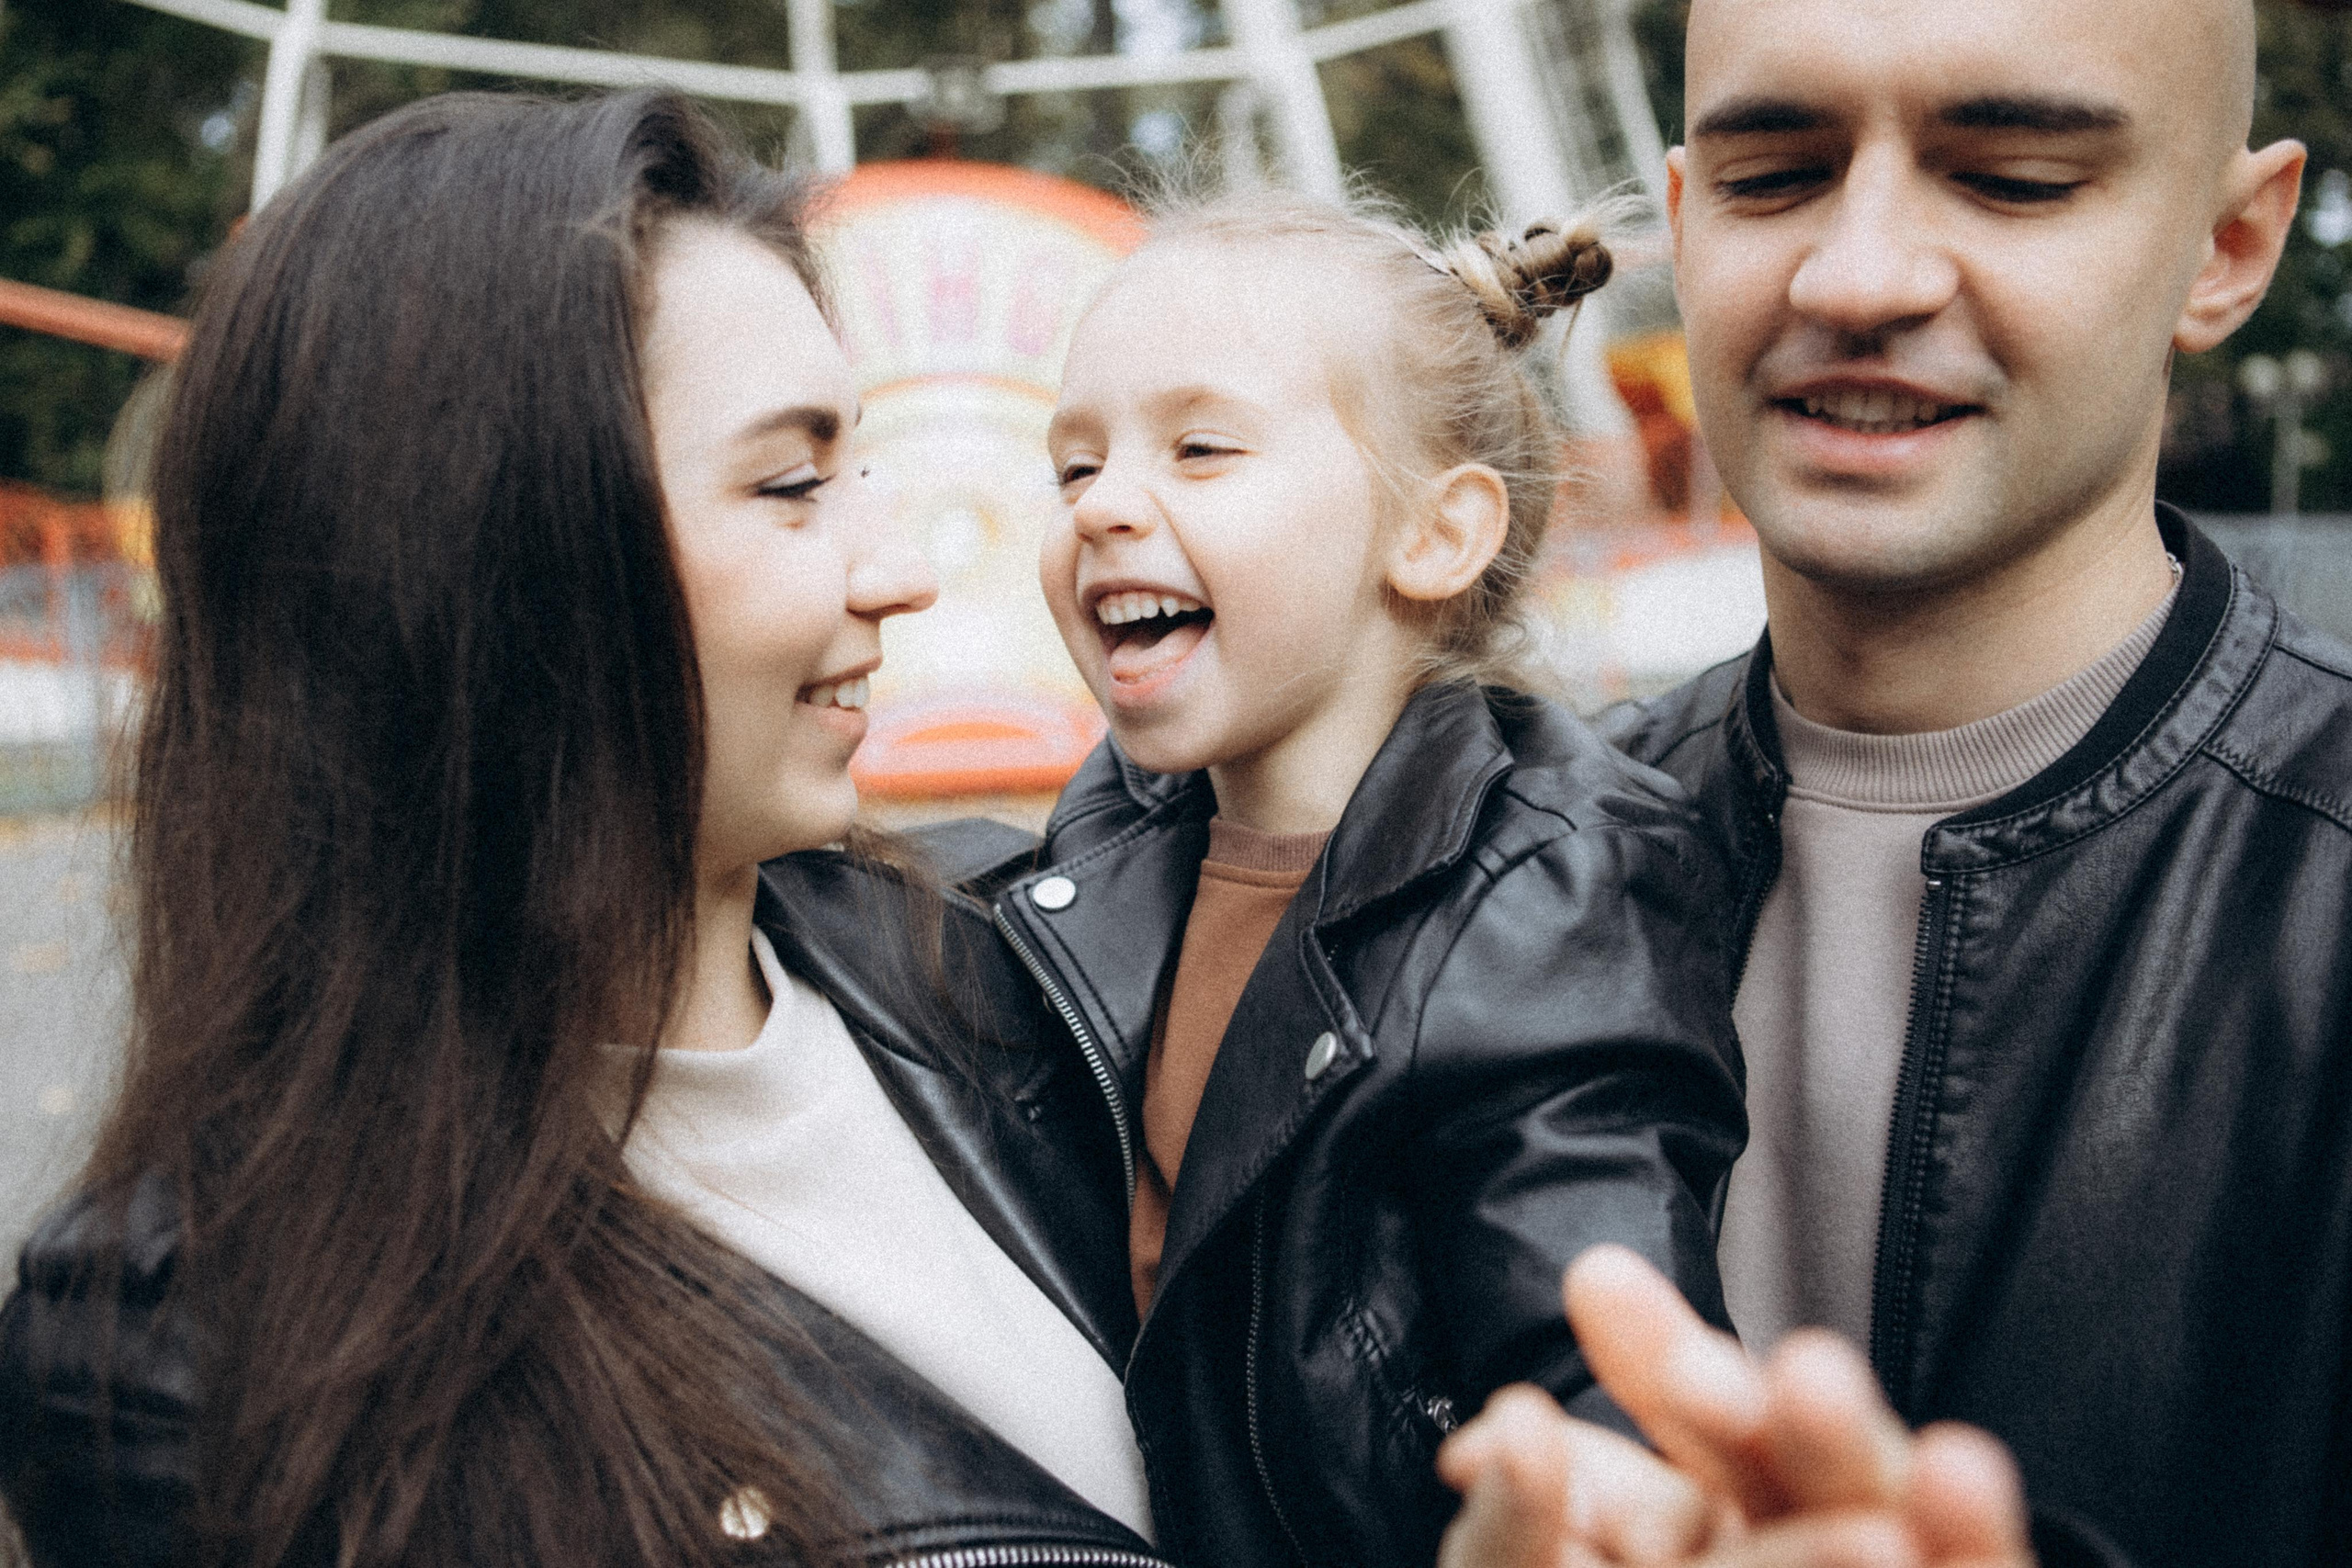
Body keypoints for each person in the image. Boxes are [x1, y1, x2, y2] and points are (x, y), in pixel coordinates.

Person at [0, 92, 1170, 1568]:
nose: (898, 571)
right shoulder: (188, 1368)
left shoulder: (1022, 966)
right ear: (483, 557)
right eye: (793, 483)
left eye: (856, 464)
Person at [1437, 0, 2352, 1564]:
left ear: (2230, 247)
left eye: (2011, 180)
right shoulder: (1482, 875)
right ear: (1678, 219)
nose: (1856, 277)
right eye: (1774, 175)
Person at [988, 190, 1747, 1568]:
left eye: (1199, 449)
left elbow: (1605, 1360)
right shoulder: (1105, 843)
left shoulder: (1545, 897)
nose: (1104, 507)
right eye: (1074, 466)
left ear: (1437, 535)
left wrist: (1594, 1499)